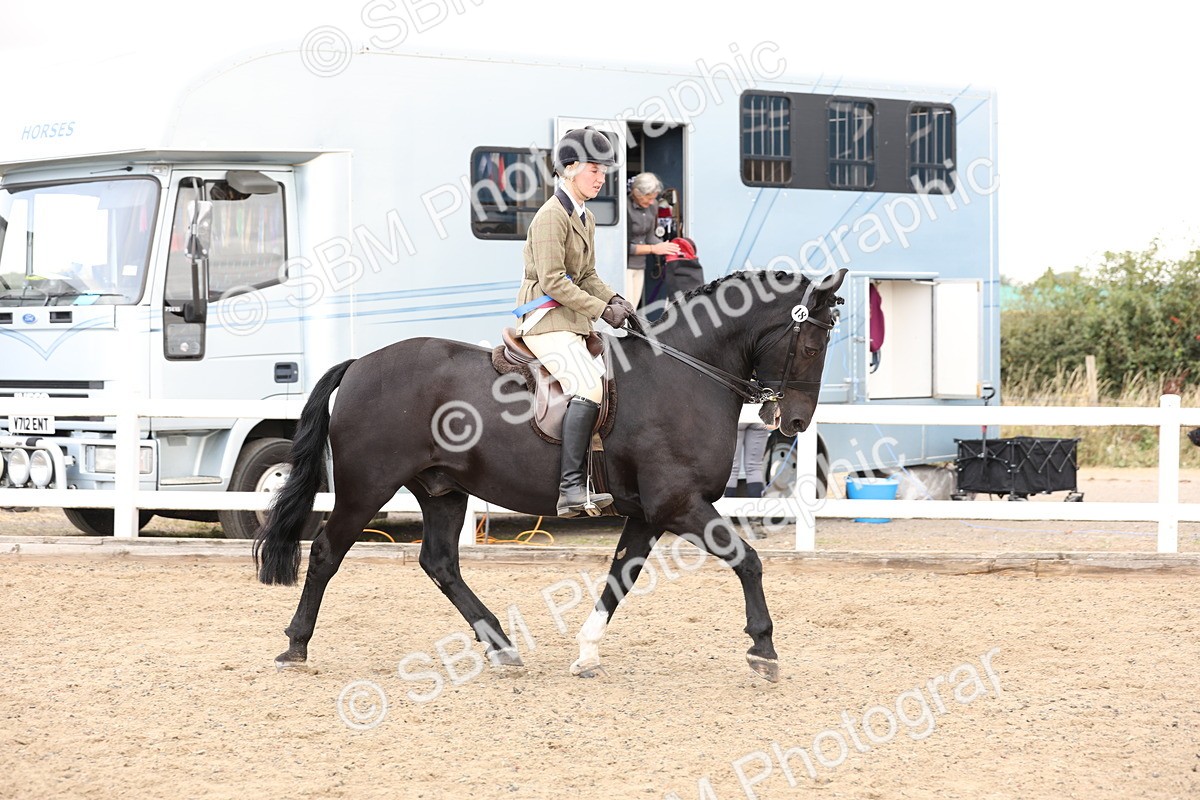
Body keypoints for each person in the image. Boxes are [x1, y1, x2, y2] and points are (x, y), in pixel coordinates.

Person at [514, 127, 637, 517]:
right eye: (594, 170)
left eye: (604, 171)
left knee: (607, 382)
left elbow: (586, 275)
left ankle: (594, 479)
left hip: (572, 321)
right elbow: (553, 280)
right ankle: (569, 488)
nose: (602, 178)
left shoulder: (585, 216)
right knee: (586, 384)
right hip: (545, 319)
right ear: (569, 169)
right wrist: (602, 311)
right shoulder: (551, 216)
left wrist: (615, 299)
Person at [626, 172, 680, 308]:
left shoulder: (653, 205)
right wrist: (654, 249)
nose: (651, 202)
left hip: (640, 265)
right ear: (637, 193)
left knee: (633, 308)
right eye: (648, 198)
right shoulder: (625, 206)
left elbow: (650, 237)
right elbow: (625, 247)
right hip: (625, 266)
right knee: (625, 308)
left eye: (653, 198)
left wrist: (667, 247)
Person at [726, 421, 773, 498]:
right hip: (759, 419)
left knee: (732, 468)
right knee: (754, 467)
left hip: (738, 418)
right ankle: (757, 505)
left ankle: (725, 506)